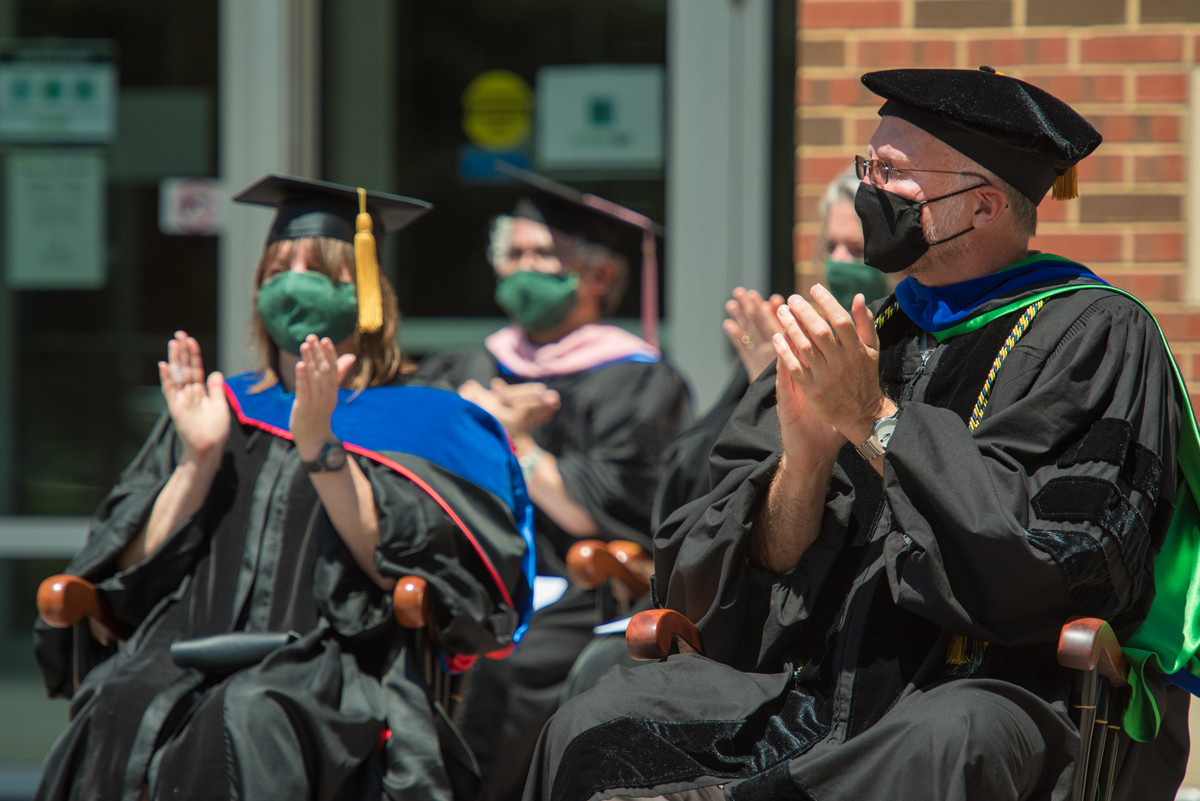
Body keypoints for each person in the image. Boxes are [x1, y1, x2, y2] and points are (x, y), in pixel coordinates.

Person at [524, 68, 1192, 801]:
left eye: (891, 173)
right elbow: (716, 583)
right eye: (865, 167)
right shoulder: (867, 336)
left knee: (944, 743)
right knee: (597, 717)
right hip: (817, 684)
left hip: (996, 686)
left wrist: (877, 423)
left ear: (984, 204)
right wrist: (803, 467)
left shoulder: (1096, 334)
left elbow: (1061, 563)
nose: (868, 190)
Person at [33, 175, 534, 801]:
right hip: (184, 643)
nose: (291, 282)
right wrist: (199, 458)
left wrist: (320, 443)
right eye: (276, 268)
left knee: (248, 711)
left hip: (333, 660)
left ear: (367, 292)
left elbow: (397, 570)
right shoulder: (222, 408)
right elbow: (127, 564)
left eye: (316, 267)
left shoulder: (424, 421)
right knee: (119, 695)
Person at [421, 168, 691, 801]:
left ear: (598, 277)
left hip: (578, 587)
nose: (525, 268)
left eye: (545, 255)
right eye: (514, 254)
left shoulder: (635, 380)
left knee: (506, 662)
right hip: (472, 572)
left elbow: (602, 512)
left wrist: (511, 441)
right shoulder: (469, 365)